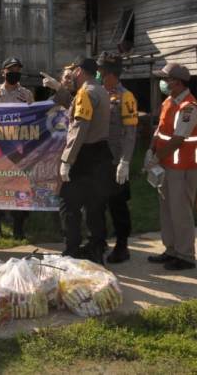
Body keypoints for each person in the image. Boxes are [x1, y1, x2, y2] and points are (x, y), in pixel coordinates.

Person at [145, 62, 197, 271]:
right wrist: (151, 149)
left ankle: (185, 256)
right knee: (167, 210)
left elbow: (178, 139)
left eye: (166, 79)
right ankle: (171, 250)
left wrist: (156, 158)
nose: (163, 82)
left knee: (180, 211)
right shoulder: (169, 101)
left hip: (183, 166)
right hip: (166, 164)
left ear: (177, 82)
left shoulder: (189, 106)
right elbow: (160, 129)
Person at [59, 57, 113, 264]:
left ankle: (72, 250)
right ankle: (96, 248)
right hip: (101, 153)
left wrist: (67, 160)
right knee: (95, 205)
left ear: (80, 71)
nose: (71, 73)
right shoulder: (101, 90)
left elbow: (79, 128)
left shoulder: (86, 93)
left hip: (84, 155)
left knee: (68, 204)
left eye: (73, 70)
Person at [0, 57, 34, 240]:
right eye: (11, 69)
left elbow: (34, 120)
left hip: (19, 149)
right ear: (3, 72)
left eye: (18, 70)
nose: (15, 73)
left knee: (20, 187)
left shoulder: (26, 94)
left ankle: (18, 227)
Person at [97, 52, 138, 264]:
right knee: (97, 204)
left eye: (101, 71)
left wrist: (125, 161)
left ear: (111, 73)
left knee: (118, 205)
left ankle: (122, 245)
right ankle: (99, 241)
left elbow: (130, 133)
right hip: (98, 160)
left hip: (115, 161)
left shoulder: (126, 97)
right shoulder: (97, 93)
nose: (98, 74)